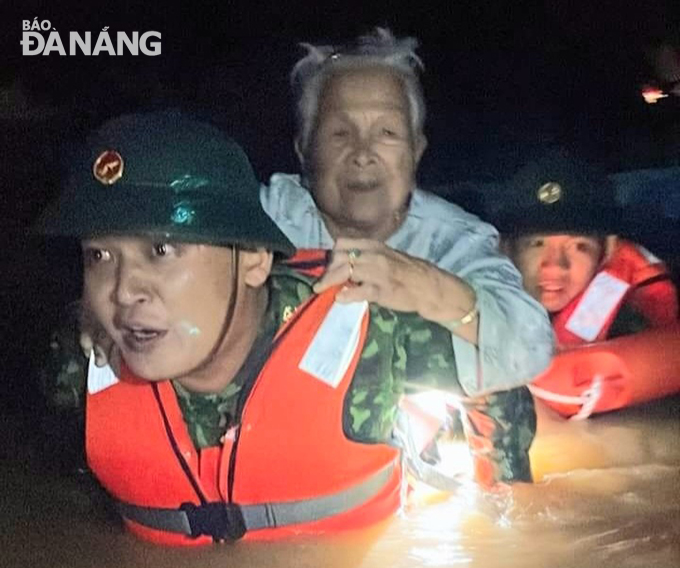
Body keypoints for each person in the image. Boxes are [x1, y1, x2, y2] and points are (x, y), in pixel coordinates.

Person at [80, 28, 554, 485]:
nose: (363, 154)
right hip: (283, 427)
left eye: (387, 132)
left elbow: (534, 346)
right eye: (339, 134)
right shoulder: (260, 219)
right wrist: (105, 311)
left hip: (421, 428)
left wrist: (428, 288)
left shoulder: (460, 238)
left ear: (416, 150)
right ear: (304, 151)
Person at [37, 110, 522, 546]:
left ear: (253, 257)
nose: (122, 291)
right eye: (99, 256)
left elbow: (500, 379)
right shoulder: (78, 365)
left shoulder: (373, 332)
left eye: (162, 250)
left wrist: (502, 507)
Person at [495, 146, 680, 418]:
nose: (555, 264)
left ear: (607, 252)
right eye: (536, 244)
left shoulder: (637, 330)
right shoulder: (464, 316)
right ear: (507, 250)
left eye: (579, 246)